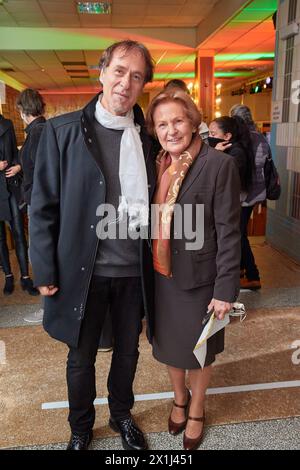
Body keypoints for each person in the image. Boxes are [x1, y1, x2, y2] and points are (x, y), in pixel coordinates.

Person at [29, 40, 156, 451]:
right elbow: (43, 205)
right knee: (80, 358)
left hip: (132, 272)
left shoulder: (148, 138)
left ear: (143, 86)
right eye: (120, 71)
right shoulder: (61, 131)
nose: (126, 82)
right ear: (101, 72)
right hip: (83, 272)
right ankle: (81, 427)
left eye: (136, 76)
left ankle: (121, 415)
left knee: (127, 354)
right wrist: (44, 270)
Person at [146, 90, 241, 450]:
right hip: (161, 274)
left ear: (194, 122)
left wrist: (225, 289)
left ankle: (197, 408)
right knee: (169, 346)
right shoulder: (158, 162)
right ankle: (179, 398)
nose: (171, 130)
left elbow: (230, 231)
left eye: (178, 121)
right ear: (155, 130)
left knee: (199, 350)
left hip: (202, 280)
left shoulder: (219, 165)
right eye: (162, 124)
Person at [16, 88, 46, 320]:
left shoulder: (37, 133)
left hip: (39, 204)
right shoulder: (42, 130)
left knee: (39, 253)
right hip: (39, 203)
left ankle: (47, 308)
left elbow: (40, 175)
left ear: (23, 110)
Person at [230, 104, 267, 290]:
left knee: (239, 234)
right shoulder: (260, 137)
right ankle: (242, 269)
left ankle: (253, 275)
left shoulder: (240, 139)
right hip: (257, 193)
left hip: (243, 195)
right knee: (241, 232)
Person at [0, 113, 38, 296]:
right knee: (0, 238)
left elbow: (16, 153)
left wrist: (18, 166)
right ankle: (8, 276)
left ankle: (25, 277)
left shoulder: (6, 124)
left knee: (19, 234)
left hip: (11, 186)